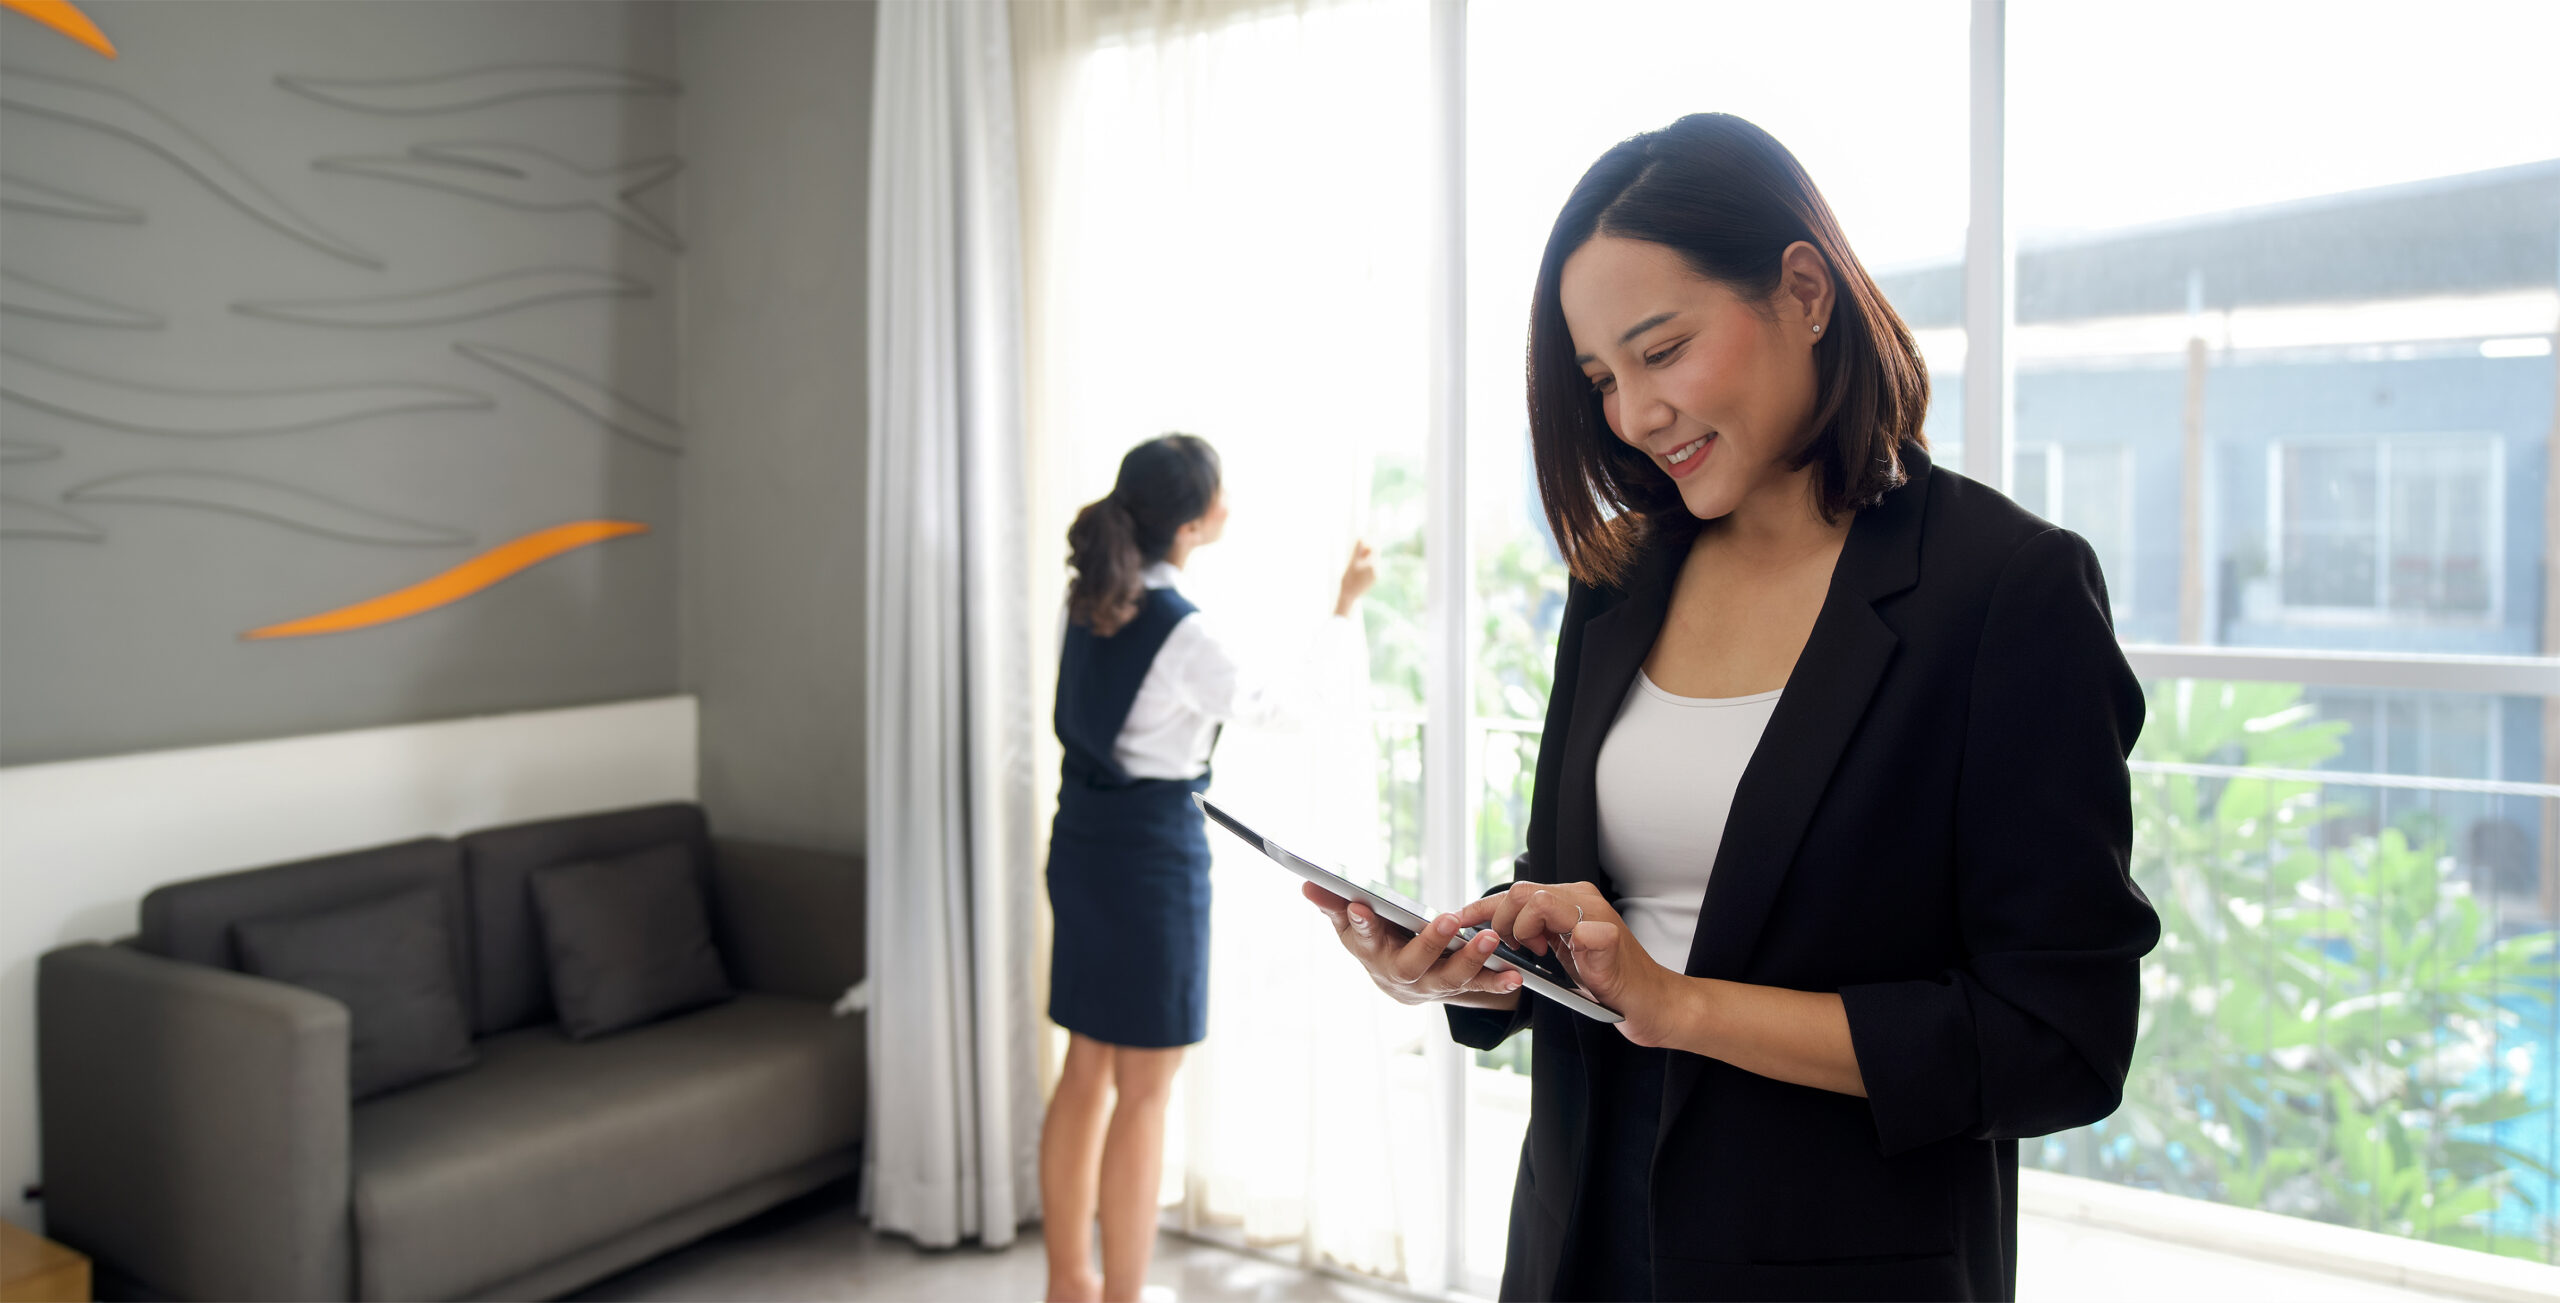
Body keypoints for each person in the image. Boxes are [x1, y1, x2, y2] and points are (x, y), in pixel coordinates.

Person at [1304, 115, 2159, 1301]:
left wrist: (1681, 1006)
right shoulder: (1619, 576)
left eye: (1661, 351)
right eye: (1601, 377)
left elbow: (2055, 1037)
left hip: (1839, 1256)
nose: (1631, 415)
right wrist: (1467, 956)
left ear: (1803, 290)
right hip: (1579, 1232)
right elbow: (1610, 888)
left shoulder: (2004, 590)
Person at [1041, 433, 1376, 1303]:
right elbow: (1286, 710)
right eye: (1220, 493)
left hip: (1079, 841)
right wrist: (1342, 613)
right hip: (1150, 858)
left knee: (1085, 1067)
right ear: (1193, 521)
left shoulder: (1088, 600)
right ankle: (1120, 1296)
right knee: (1145, 1087)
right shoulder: (1182, 632)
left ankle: (1067, 1284)